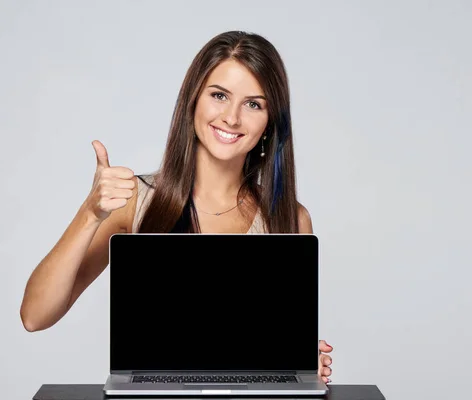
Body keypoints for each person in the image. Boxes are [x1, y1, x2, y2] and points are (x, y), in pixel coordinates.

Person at [19, 31, 333, 384]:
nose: (231, 118)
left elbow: (266, 345)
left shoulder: (289, 218)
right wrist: (90, 214)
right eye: (219, 96)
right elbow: (35, 316)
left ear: (270, 123)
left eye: (253, 104)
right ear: (193, 100)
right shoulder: (135, 200)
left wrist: (298, 364)